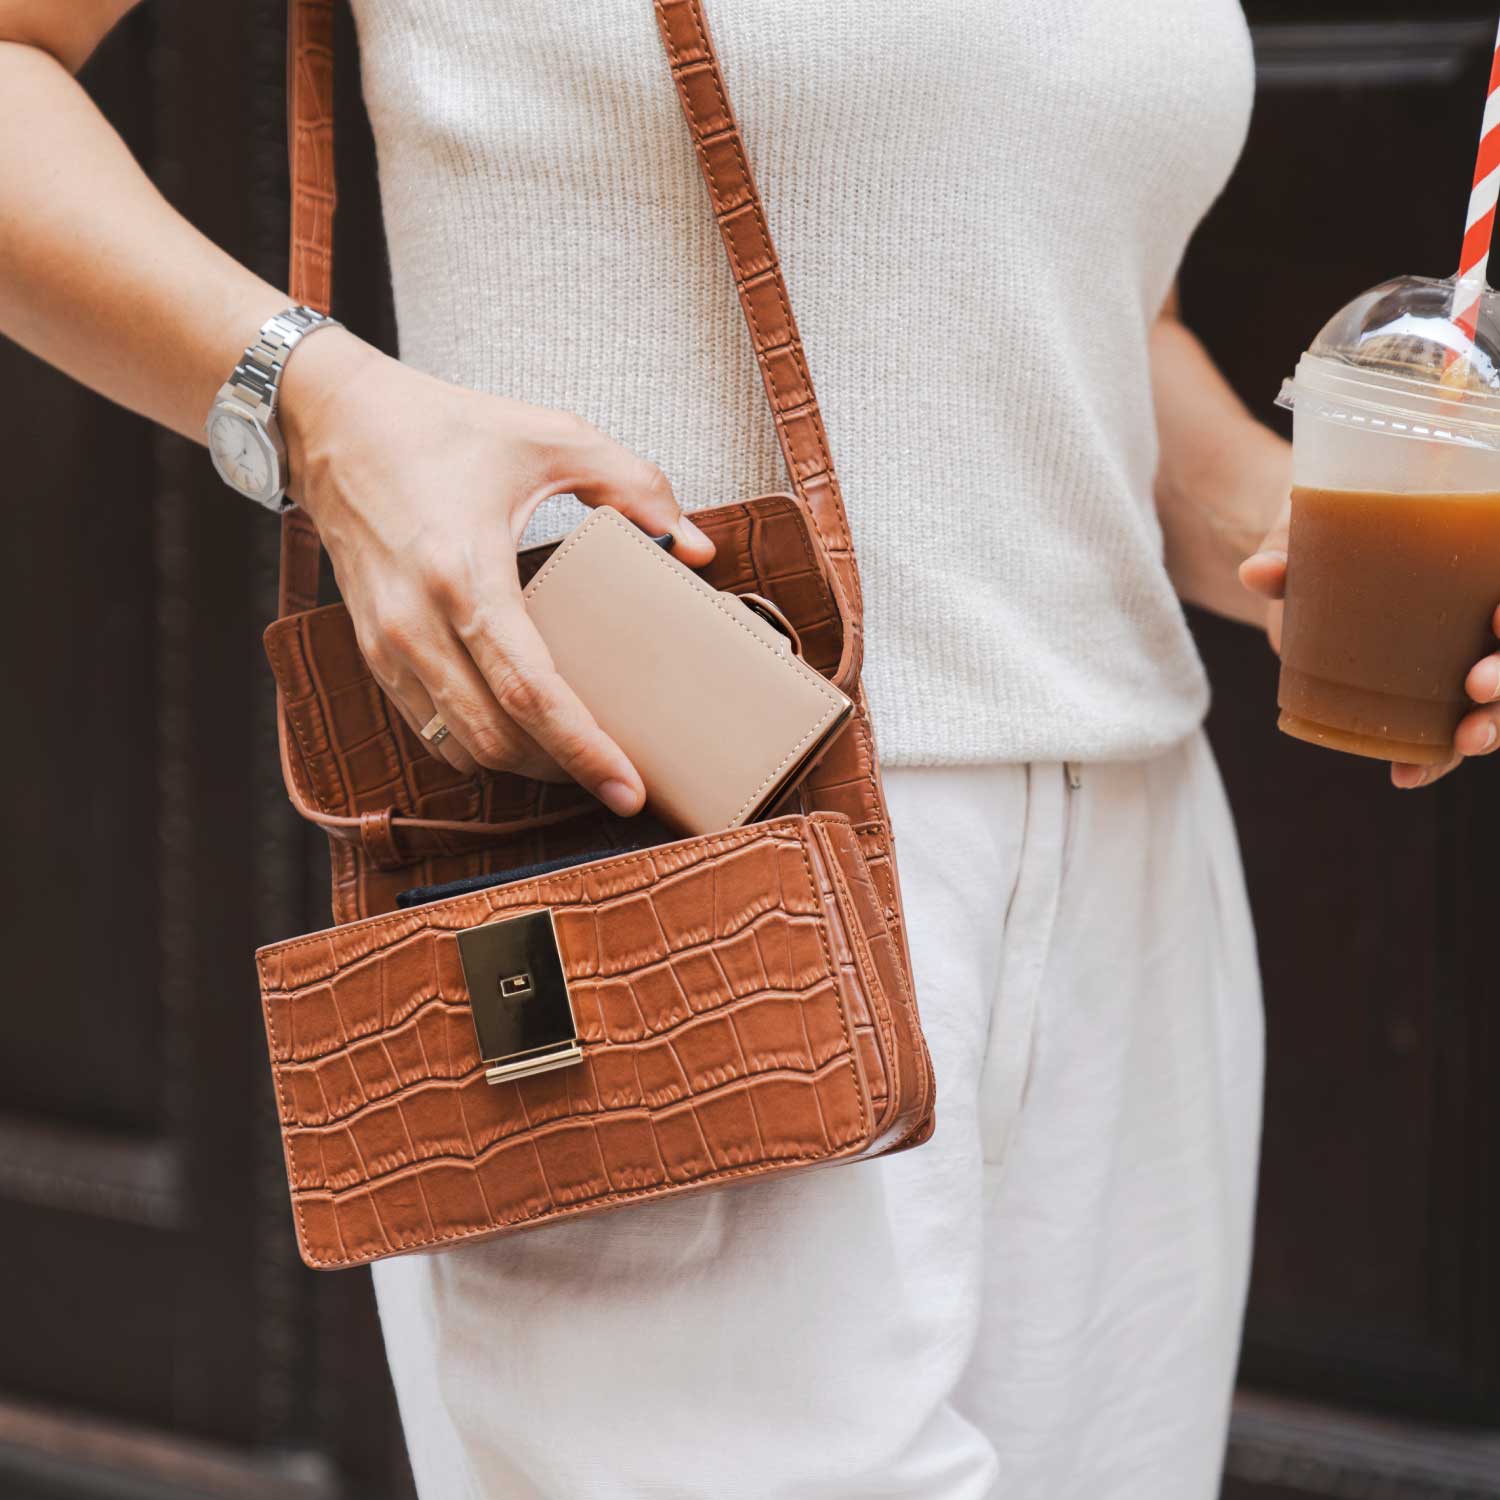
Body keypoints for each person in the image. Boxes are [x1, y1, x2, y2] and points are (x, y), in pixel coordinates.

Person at [6, 3, 1500, 1497]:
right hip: (670, 843)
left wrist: (1307, 546)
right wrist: (318, 403)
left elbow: (1085, 310)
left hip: (1129, 848)